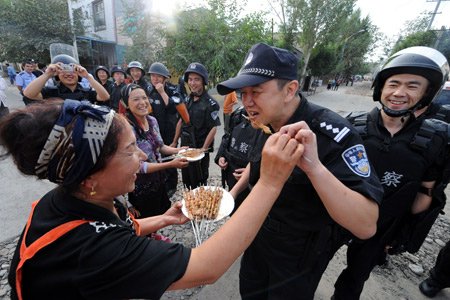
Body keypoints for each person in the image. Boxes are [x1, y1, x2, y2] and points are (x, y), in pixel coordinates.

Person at [2, 98, 304, 299]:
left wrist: (164, 218)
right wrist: (270, 182)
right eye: (130, 150)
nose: (143, 156)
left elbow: (117, 229)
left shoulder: (71, 198)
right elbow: (206, 267)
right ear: (90, 175)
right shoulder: (91, 251)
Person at [216, 42, 383, 300]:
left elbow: (366, 224)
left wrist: (313, 167)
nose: (247, 102)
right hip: (257, 235)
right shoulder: (263, 122)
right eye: (243, 93)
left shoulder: (332, 133)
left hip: (299, 249)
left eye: (256, 92)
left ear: (290, 90)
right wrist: (234, 193)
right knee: (250, 292)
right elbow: (259, 161)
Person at [332, 46, 450, 300]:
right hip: (336, 217)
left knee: (355, 279)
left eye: (413, 86)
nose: (399, 93)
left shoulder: (434, 139)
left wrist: (403, 234)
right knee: (310, 266)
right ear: (380, 88)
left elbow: (426, 191)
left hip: (382, 226)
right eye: (393, 84)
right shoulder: (350, 125)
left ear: (427, 93)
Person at [119, 83, 188, 218]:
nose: (142, 102)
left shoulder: (152, 121)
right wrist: (170, 164)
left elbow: (160, 147)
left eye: (144, 98)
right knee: (145, 221)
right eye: (136, 99)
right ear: (125, 103)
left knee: (159, 214)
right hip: (141, 187)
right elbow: (137, 166)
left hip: (159, 180)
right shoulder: (127, 129)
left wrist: (178, 150)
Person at [173, 62, 221, 189]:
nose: (192, 83)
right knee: (187, 177)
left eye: (196, 79)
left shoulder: (211, 103)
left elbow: (213, 128)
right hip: (186, 146)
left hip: (199, 146)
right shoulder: (187, 99)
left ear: (203, 81)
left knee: (200, 180)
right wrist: (174, 142)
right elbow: (180, 121)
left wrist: (202, 150)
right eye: (190, 79)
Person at [214, 106, 258, 214]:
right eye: (244, 94)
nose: (249, 101)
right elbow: (227, 136)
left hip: (252, 183)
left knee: (248, 213)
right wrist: (222, 155)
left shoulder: (270, 121)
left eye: (255, 93)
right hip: (232, 172)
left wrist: (252, 172)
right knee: (233, 208)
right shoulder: (239, 113)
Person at [147, 62, 182, 198]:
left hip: (169, 130)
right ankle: (162, 181)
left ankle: (172, 185)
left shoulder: (172, 90)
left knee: (170, 158)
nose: (155, 79)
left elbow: (173, 109)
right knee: (157, 157)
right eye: (153, 76)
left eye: (158, 76)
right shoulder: (149, 90)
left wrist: (162, 92)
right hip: (154, 131)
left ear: (164, 78)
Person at [23, 54, 110, 104]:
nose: (68, 74)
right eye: (63, 70)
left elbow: (105, 96)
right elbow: (28, 94)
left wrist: (87, 76)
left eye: (72, 70)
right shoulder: (51, 92)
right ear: (57, 73)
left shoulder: (86, 92)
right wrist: (47, 74)